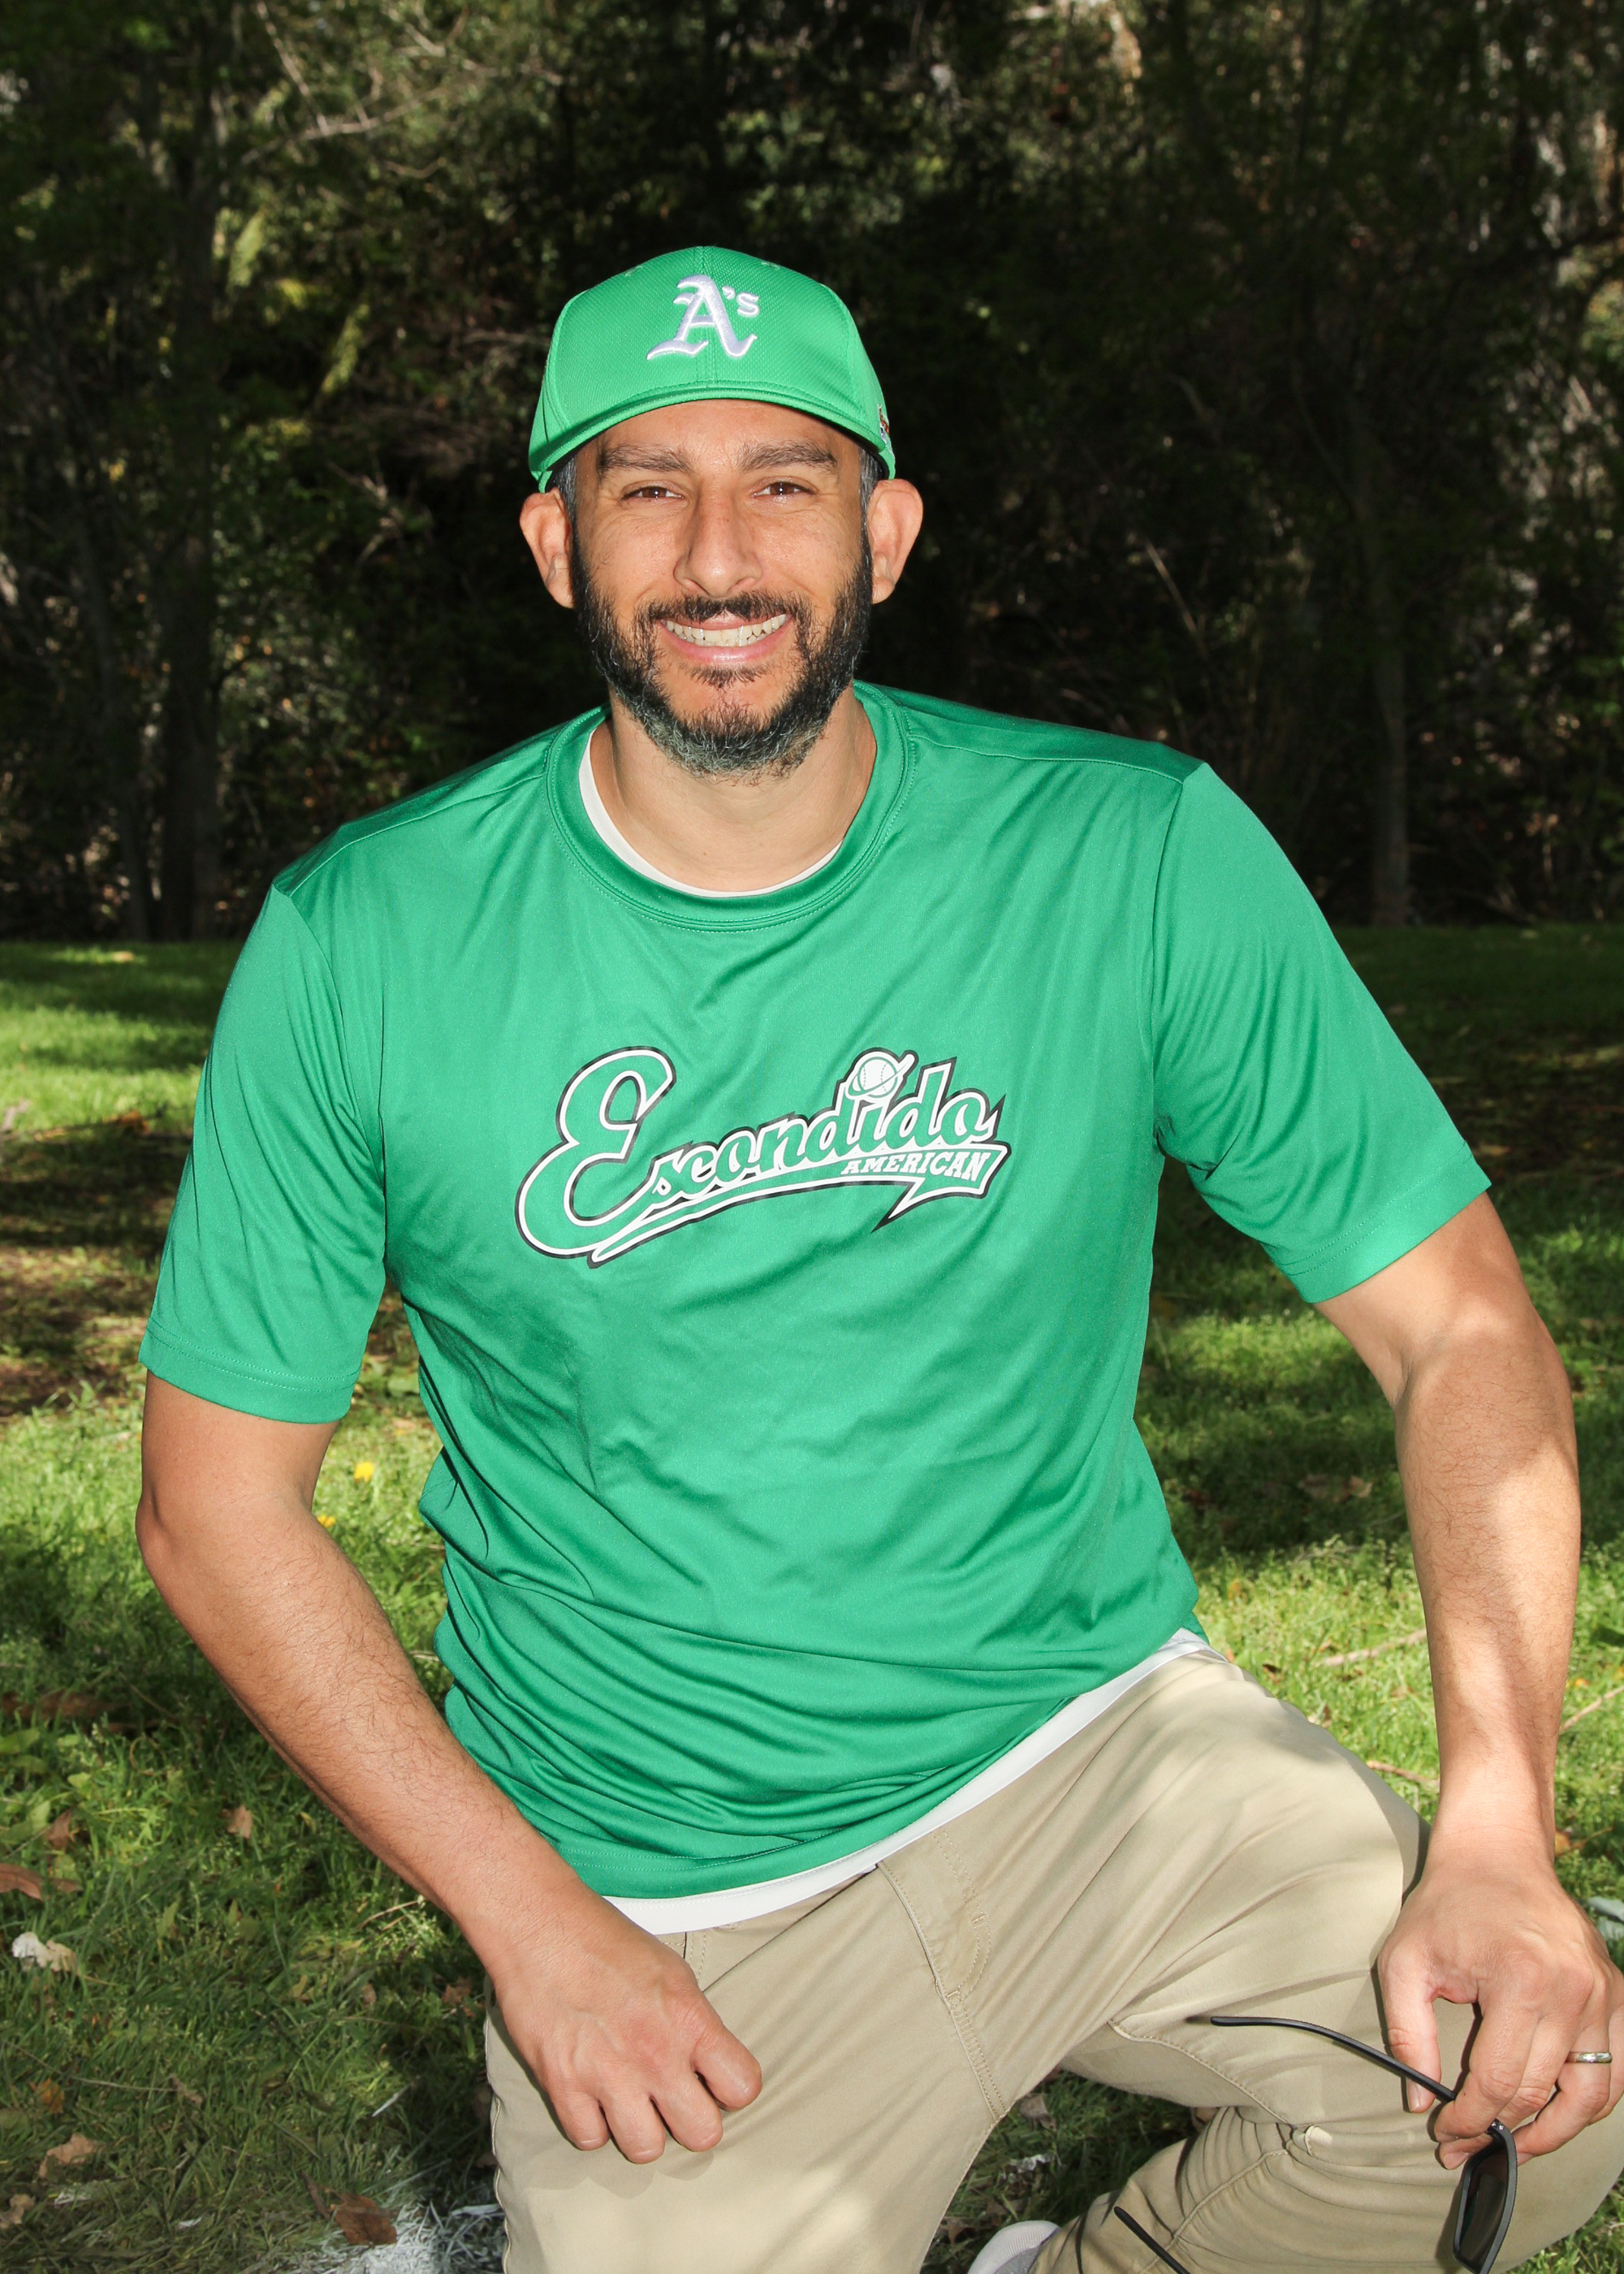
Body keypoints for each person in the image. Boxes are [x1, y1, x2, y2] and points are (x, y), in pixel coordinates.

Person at [136, 247, 1624, 2274]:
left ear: (887, 534)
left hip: (1101, 1747)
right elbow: (218, 1508)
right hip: (677, 1884)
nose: (718, 554)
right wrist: (535, 1920)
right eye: (647, 487)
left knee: (1530, 2100)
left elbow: (1462, 1327)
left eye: (787, 482)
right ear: (556, 543)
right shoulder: (365, 943)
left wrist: (1497, 1825)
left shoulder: (1126, 854)